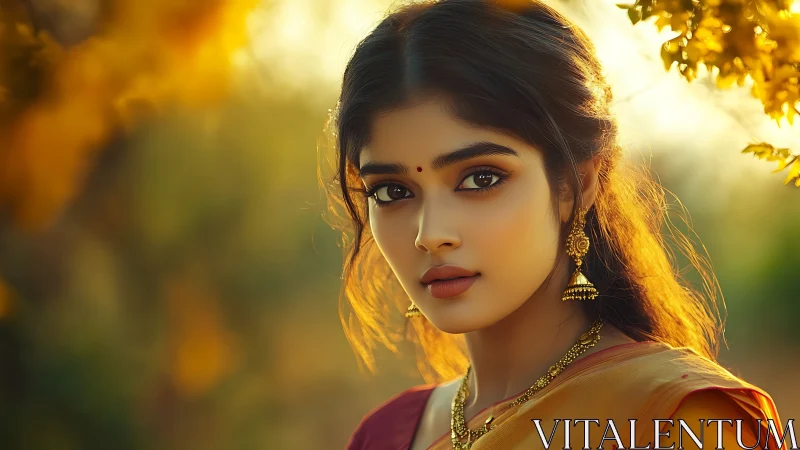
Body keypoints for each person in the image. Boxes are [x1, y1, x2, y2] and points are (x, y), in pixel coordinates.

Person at [319, 1, 785, 449]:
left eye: (480, 179)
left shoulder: (674, 418)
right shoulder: (386, 435)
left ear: (575, 186)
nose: (430, 233)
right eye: (392, 192)